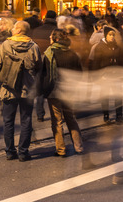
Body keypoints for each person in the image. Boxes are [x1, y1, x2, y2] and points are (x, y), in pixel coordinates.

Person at [0, 20, 42, 162]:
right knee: (26, 120)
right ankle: (23, 152)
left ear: (19, 30)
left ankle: (10, 151)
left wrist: (1, 79)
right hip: (27, 89)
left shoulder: (6, 45)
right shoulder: (33, 46)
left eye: (14, 27)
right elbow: (38, 66)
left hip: (9, 88)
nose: (12, 29)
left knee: (8, 120)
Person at [42, 28, 84, 156]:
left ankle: (61, 150)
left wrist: (44, 90)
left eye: (51, 37)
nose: (49, 38)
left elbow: (45, 75)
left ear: (56, 39)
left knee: (57, 121)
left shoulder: (49, 53)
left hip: (54, 92)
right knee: (70, 118)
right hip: (69, 90)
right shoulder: (72, 53)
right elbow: (79, 73)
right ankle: (79, 147)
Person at [88, 26, 123, 123]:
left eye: (113, 35)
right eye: (110, 35)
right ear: (105, 35)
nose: (112, 37)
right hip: (104, 77)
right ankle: (106, 115)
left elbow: (122, 61)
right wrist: (96, 75)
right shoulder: (100, 47)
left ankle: (119, 115)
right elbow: (96, 62)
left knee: (118, 96)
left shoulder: (117, 47)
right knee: (105, 97)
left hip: (116, 76)